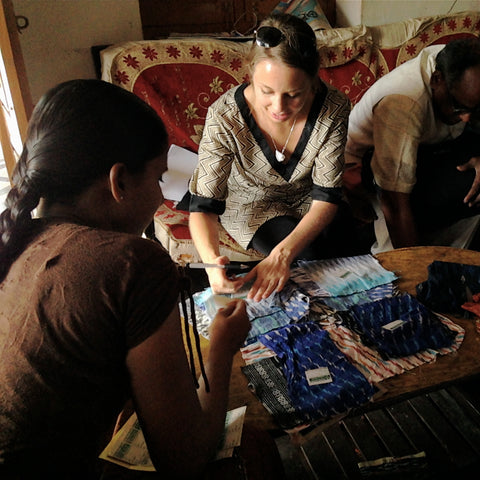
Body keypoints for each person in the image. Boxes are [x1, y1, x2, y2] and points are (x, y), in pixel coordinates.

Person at [0, 79, 253, 479]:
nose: (159, 196)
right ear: (118, 183)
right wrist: (220, 351)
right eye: (157, 179)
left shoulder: (14, 238)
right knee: (257, 454)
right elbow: (185, 459)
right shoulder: (132, 263)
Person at [188, 13, 356, 303]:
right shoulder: (225, 115)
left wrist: (281, 255)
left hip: (309, 198)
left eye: (294, 94)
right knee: (311, 258)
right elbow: (203, 205)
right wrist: (212, 264)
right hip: (252, 202)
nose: (278, 107)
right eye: (266, 91)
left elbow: (327, 196)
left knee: (352, 252)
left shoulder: (334, 107)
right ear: (250, 73)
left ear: (314, 81)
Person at [345, 37, 480, 253]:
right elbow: (393, 199)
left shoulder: (460, 65)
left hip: (430, 150)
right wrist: (415, 270)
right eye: (457, 107)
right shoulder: (403, 103)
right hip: (367, 173)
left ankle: (456, 259)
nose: (465, 118)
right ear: (437, 79)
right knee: (467, 184)